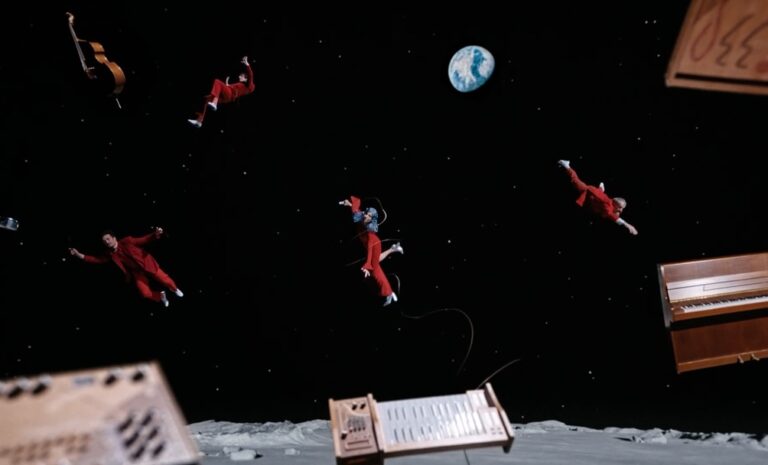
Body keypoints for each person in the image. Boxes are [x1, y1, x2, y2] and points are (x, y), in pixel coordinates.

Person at [69, 227, 183, 307]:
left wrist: (155, 234)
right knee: (145, 293)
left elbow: (143, 240)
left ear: (114, 238)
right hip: (136, 272)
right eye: (104, 241)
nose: (107, 242)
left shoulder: (127, 241)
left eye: (108, 239)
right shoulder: (109, 254)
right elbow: (96, 259)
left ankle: (174, 289)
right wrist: (79, 255)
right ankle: (161, 297)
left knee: (167, 281)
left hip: (146, 264)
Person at [340, 196, 403, 306]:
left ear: (372, 219)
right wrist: (349, 204)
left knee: (375, 269)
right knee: (376, 262)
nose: (366, 216)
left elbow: (370, 250)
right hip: (367, 243)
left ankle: (389, 293)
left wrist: (367, 265)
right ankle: (393, 248)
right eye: (366, 213)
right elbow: (356, 209)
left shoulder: (369, 232)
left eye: (369, 216)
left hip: (374, 244)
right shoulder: (361, 216)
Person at [558, 159, 638, 235]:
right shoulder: (608, 205)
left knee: (598, 194)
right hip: (588, 191)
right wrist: (627, 225)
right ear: (615, 204)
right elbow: (611, 215)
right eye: (620, 207)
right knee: (575, 180)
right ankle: (566, 165)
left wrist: (601, 189)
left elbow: (612, 212)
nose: (621, 210)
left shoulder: (612, 206)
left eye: (622, 208)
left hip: (595, 198)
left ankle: (601, 188)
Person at [187, 56, 255, 128]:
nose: (239, 77)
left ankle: (214, 103)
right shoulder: (240, 85)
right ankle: (199, 121)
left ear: (246, 79)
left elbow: (250, 75)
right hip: (226, 97)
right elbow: (229, 88)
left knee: (217, 81)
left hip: (230, 95)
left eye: (241, 76)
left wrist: (247, 64)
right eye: (239, 76)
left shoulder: (249, 86)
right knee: (206, 99)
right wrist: (227, 84)